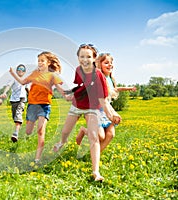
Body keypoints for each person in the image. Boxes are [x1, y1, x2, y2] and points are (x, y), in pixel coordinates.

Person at [53, 44, 121, 181]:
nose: (85, 59)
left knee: (94, 137)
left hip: (92, 107)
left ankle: (96, 172)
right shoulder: (78, 70)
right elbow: (80, 86)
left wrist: (111, 114)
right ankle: (61, 142)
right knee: (66, 130)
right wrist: (70, 95)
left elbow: (103, 101)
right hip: (77, 104)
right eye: (82, 56)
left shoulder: (99, 76)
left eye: (88, 57)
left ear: (94, 58)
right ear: (78, 58)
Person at [9, 51, 65, 163]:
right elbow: (22, 82)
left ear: (48, 62)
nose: (39, 63)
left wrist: (68, 96)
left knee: (40, 131)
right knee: (29, 132)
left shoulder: (52, 75)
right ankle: (33, 124)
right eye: (38, 61)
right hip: (32, 105)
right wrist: (12, 73)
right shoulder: (35, 73)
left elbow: (60, 89)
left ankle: (37, 159)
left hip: (44, 105)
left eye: (42, 61)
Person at [76, 53, 136, 152]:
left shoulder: (111, 79)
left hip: (107, 109)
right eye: (106, 63)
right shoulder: (97, 76)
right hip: (97, 109)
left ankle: (94, 156)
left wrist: (129, 88)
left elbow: (115, 89)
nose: (110, 65)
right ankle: (84, 130)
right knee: (100, 136)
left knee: (111, 134)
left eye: (111, 63)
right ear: (100, 64)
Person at [2, 64, 29, 142]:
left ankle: (15, 133)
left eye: (23, 69)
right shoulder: (13, 78)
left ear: (24, 72)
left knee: (18, 115)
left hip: (22, 99)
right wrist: (4, 92)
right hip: (14, 100)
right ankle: (17, 129)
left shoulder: (26, 79)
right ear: (16, 71)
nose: (21, 70)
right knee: (15, 116)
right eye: (19, 69)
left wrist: (31, 96)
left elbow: (27, 88)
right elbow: (8, 86)